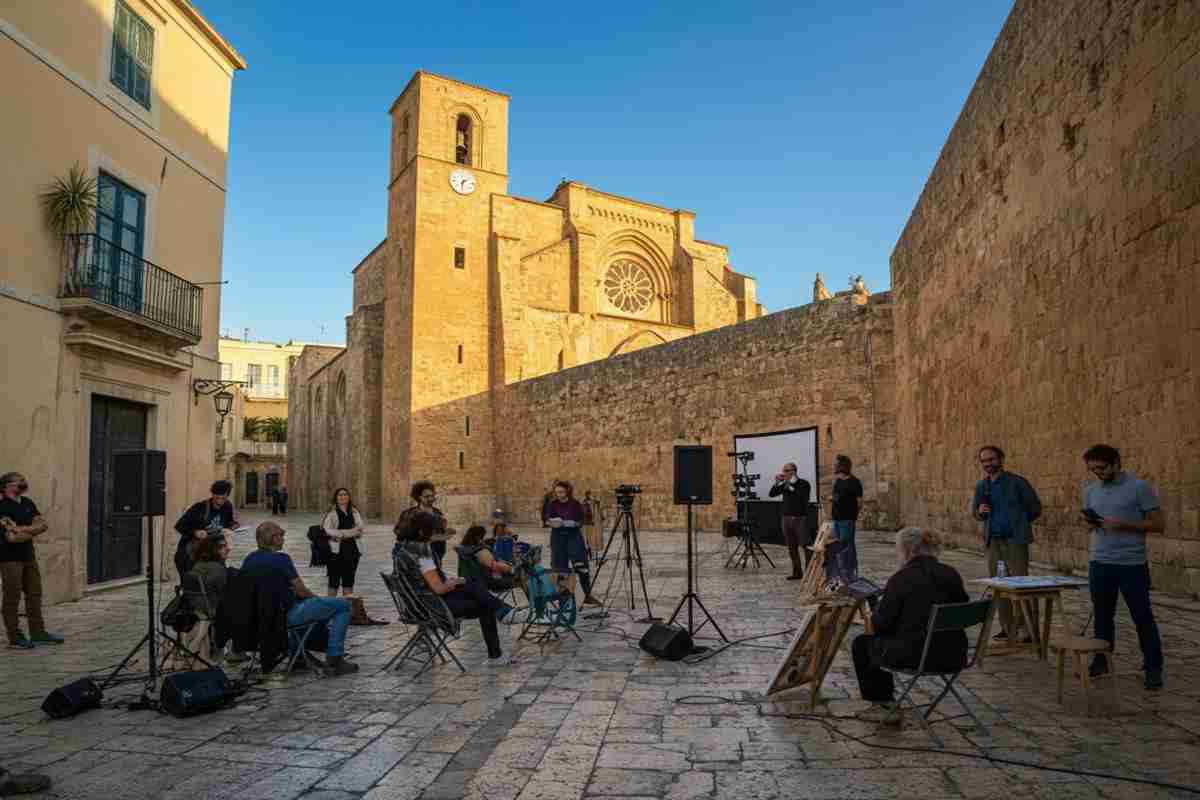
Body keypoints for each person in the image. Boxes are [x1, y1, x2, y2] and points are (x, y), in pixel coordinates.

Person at [852, 528, 969, 723]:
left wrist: (875, 611)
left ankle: (883, 704)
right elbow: (962, 608)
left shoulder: (901, 579)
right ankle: (884, 704)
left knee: (863, 644)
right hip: (954, 653)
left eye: (898, 550)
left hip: (918, 656)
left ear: (907, 551)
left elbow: (882, 626)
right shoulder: (951, 574)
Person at [1081, 444, 1165, 690]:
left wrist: (1123, 525)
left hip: (1132, 564)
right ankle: (1101, 661)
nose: (1098, 473)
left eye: (1102, 468)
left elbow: (1159, 524)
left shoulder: (1139, 488)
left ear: (1116, 462)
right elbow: (1094, 524)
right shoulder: (1091, 490)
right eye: (1093, 469)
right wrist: (1092, 524)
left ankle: (1153, 668)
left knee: (1142, 616)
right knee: (1103, 616)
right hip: (1100, 562)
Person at [397, 511, 515, 665]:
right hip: (433, 607)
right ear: (422, 532)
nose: (435, 533)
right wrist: (454, 582)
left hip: (416, 604)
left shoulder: (405, 549)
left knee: (472, 584)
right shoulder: (423, 554)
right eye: (432, 530)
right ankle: (499, 643)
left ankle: (505, 613)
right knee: (484, 603)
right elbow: (439, 588)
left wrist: (456, 581)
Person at [242, 522, 359, 676]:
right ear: (274, 538)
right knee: (343, 605)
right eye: (281, 535)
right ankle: (335, 659)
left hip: (261, 618)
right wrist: (318, 600)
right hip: (285, 616)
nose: (283, 539)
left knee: (307, 607)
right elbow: (301, 590)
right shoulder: (281, 559)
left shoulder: (249, 559)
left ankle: (298, 656)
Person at [970, 446, 1042, 642]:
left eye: (991, 459)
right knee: (999, 585)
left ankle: (1029, 629)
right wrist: (980, 511)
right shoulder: (981, 486)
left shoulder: (1017, 483)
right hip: (994, 543)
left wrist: (1018, 522)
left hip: (1014, 541)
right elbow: (975, 513)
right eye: (984, 461)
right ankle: (1008, 627)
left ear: (1001, 459)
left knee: (1021, 584)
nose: (987, 464)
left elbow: (1035, 508)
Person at [0, 472, 64, 649]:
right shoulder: (2, 507)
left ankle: (38, 633)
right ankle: (15, 637)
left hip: (29, 556)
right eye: (19, 480)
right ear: (8, 485)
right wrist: (31, 530)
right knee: (12, 598)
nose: (24, 482)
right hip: (9, 558)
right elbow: (12, 537)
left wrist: (23, 530)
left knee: (35, 595)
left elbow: (43, 524)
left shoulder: (28, 503)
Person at [543, 480, 600, 605]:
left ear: (567, 491)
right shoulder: (552, 504)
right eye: (557, 492)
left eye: (561, 492)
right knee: (559, 568)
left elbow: (581, 520)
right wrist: (551, 522)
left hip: (573, 537)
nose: (559, 494)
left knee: (581, 566)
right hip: (558, 538)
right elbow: (546, 519)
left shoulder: (575, 504)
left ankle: (587, 595)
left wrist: (574, 523)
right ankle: (563, 597)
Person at [174, 481, 236, 578]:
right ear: (212, 495)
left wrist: (231, 527)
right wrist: (195, 532)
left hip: (214, 554)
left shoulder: (227, 507)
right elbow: (179, 525)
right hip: (192, 555)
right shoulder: (200, 508)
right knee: (193, 584)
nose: (219, 501)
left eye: (223, 498)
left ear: (227, 496)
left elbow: (229, 522)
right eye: (217, 498)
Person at [394, 481, 453, 567]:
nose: (431, 498)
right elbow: (399, 532)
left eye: (432, 496)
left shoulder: (438, 513)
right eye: (427, 496)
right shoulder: (409, 513)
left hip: (436, 555)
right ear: (419, 497)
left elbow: (439, 532)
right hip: (418, 556)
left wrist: (446, 532)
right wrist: (425, 538)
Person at [769, 463, 812, 580]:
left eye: (786, 470)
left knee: (806, 546)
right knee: (791, 547)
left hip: (800, 519)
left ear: (793, 471)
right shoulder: (784, 484)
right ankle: (797, 572)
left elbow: (803, 497)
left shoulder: (803, 483)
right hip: (786, 519)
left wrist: (790, 487)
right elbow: (772, 494)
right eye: (783, 470)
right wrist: (777, 483)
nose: (784, 473)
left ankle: (809, 573)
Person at [321, 488, 365, 598]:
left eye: (345, 494)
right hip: (335, 552)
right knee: (333, 582)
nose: (343, 497)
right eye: (340, 495)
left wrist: (341, 533)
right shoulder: (331, 513)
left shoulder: (354, 512)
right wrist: (348, 533)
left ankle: (347, 609)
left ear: (349, 497)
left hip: (353, 550)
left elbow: (360, 529)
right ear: (336, 498)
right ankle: (330, 608)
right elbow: (327, 530)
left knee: (349, 581)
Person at [829, 455, 864, 582]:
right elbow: (836, 498)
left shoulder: (855, 482)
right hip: (836, 519)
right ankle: (840, 573)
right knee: (838, 547)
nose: (833, 465)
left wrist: (852, 516)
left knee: (847, 547)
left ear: (842, 466)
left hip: (847, 519)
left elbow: (859, 502)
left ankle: (849, 573)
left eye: (835, 463)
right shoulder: (837, 481)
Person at [457, 524, 515, 592]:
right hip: (487, 581)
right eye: (483, 536)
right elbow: (496, 566)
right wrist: (511, 568)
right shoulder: (480, 551)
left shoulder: (464, 548)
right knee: (521, 579)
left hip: (469, 580)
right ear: (478, 537)